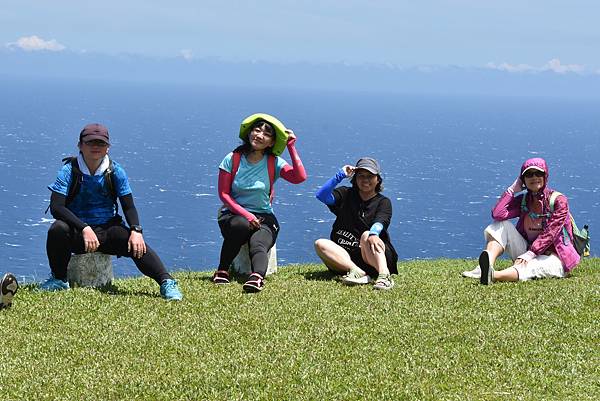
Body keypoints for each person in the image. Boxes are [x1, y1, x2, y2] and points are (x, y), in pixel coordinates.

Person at [43, 123, 183, 300]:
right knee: (57, 229)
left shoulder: (115, 172)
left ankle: (166, 282)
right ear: (80, 145)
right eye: (90, 142)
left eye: (100, 143)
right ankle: (59, 280)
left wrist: (136, 230)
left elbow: (129, 206)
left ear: (107, 148)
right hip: (77, 232)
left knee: (135, 243)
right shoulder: (68, 171)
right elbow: (57, 207)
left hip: (107, 230)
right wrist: (84, 228)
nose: (95, 146)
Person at [213, 113, 307, 292]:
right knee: (240, 226)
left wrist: (291, 147)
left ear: (272, 142)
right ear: (249, 133)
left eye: (266, 134)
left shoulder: (274, 162)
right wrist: (248, 216)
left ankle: (256, 278)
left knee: (259, 242)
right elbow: (224, 194)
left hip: (264, 215)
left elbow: (299, 177)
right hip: (233, 214)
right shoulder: (232, 159)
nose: (259, 135)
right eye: (257, 130)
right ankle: (222, 270)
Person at [463, 157, 581, 285]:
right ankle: (485, 267)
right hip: (527, 251)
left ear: (545, 176)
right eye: (529, 174)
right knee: (500, 225)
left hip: (555, 257)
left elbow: (551, 231)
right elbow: (498, 214)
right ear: (523, 179)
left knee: (532, 267)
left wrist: (531, 253)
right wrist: (511, 190)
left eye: (539, 173)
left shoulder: (559, 201)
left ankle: (492, 275)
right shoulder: (524, 200)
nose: (534, 177)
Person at [314, 157, 398, 290]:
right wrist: (340, 175)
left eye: (370, 176)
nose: (365, 180)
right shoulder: (346, 194)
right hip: (348, 259)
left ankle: (384, 275)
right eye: (361, 176)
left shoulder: (383, 202)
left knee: (367, 235)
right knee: (320, 244)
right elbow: (322, 196)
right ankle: (358, 272)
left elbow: (381, 220)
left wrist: (374, 234)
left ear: (378, 179)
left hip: (374, 257)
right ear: (355, 178)